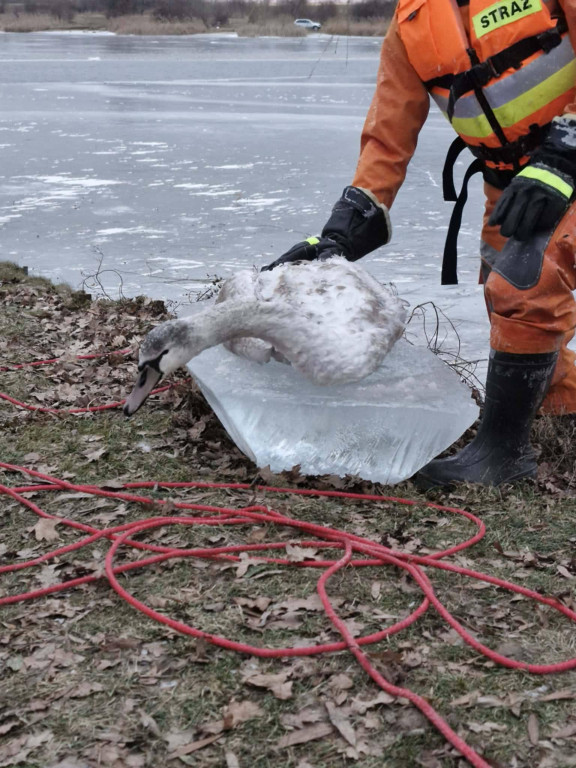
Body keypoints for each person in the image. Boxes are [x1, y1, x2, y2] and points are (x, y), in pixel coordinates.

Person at [263, 0, 576, 488]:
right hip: (512, 188)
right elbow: (387, 141)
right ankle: (563, 423)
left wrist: (563, 155)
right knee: (512, 310)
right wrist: (337, 237)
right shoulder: (411, 22)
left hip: (566, 163)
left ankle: (502, 456)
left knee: (524, 280)